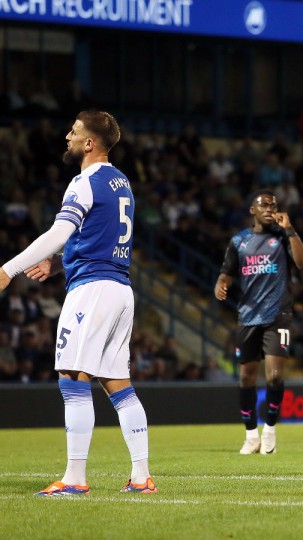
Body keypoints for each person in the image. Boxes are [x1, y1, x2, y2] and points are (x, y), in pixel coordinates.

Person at [0, 110, 157, 495]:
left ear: (90, 143)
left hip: (93, 289)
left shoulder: (84, 181)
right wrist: (59, 264)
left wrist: (8, 269)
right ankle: (141, 477)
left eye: (74, 132)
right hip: (120, 289)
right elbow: (98, 234)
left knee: (72, 379)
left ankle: (74, 479)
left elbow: (60, 231)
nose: (67, 137)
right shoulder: (122, 182)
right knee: (119, 386)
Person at [215, 190, 303, 455]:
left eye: (274, 205)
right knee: (246, 376)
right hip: (248, 316)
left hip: (278, 314)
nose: (270, 208)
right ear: (252, 210)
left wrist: (290, 230)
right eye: (264, 204)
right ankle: (250, 435)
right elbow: (226, 273)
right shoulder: (239, 241)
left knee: (275, 374)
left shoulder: (282, 237)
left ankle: (269, 430)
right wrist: (221, 285)